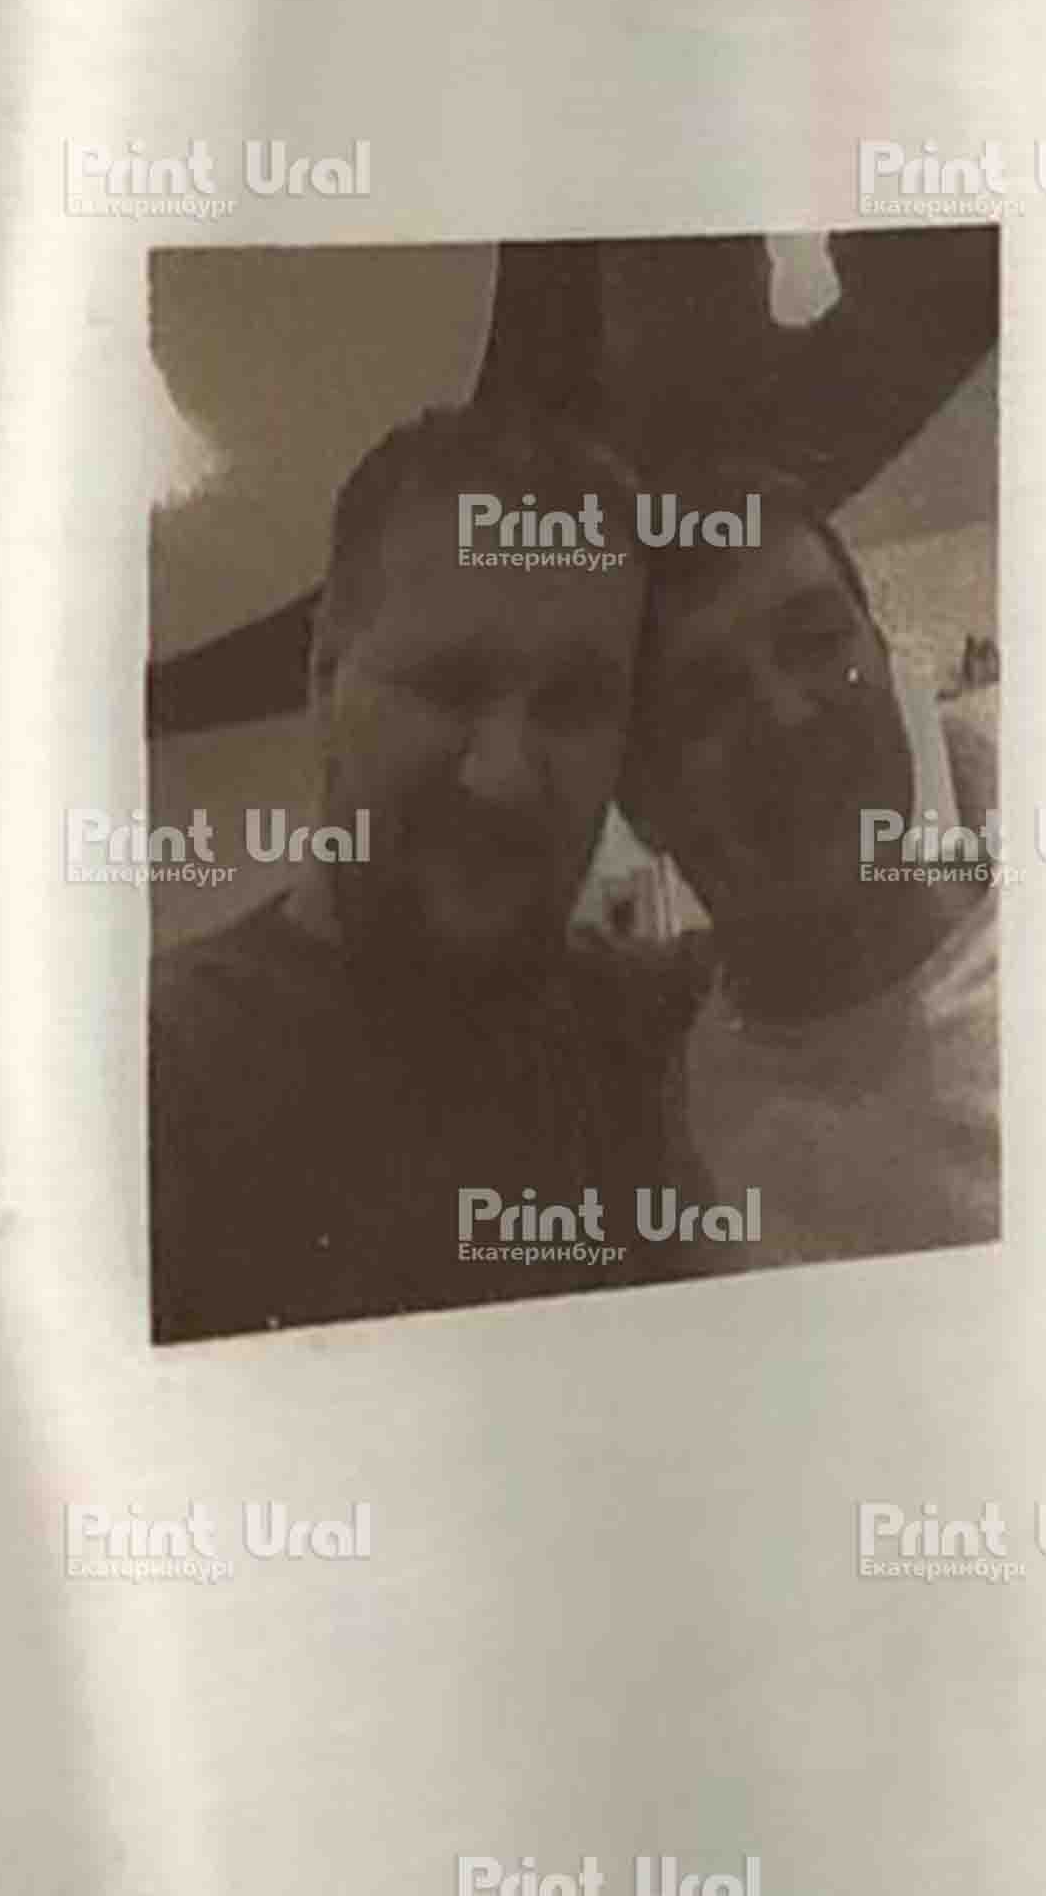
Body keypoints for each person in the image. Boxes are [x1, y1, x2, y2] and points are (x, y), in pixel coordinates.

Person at [149, 402, 704, 1340]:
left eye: (573, 702)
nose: (503, 777)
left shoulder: (662, 1034)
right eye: (447, 685)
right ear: (325, 676)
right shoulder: (150, 1085)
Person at [615, 468, 1001, 1267]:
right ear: (641, 804)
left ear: (885, 661)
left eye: (818, 641)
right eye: (706, 698)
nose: (786, 717)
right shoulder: (654, 1127)